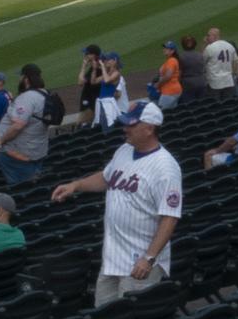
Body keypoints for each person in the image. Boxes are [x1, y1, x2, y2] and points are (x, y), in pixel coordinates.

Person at [52, 101, 183, 307]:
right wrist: (76, 185)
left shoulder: (165, 168)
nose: (125, 129)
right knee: (104, 318)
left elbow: (170, 217)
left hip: (140, 261)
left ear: (149, 129)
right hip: (113, 257)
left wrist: (149, 258)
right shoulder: (124, 150)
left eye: (131, 125)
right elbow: (106, 178)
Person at [0, 64, 51, 184]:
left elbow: (18, 126)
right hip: (37, 148)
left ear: (26, 79)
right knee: (32, 185)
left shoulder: (27, 98)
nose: (19, 79)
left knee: (21, 187)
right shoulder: (45, 93)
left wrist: (1, 141)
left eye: (21, 76)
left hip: (20, 153)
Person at [204, 28, 238, 99]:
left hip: (215, 83)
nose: (207, 38)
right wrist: (234, 74)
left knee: (216, 106)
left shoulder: (209, 48)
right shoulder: (229, 45)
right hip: (228, 81)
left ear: (214, 36)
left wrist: (205, 45)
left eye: (208, 35)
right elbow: (236, 61)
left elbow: (202, 61)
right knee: (227, 104)